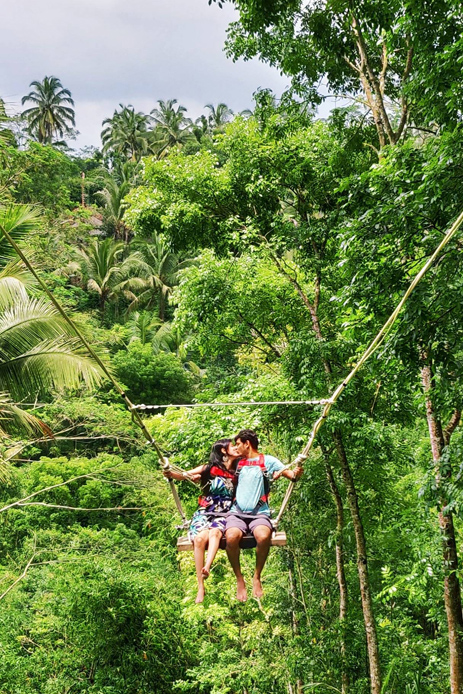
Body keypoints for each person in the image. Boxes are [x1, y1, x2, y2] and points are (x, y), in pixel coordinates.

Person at [225, 429, 302, 602]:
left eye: (238, 444)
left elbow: (291, 475)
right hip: (236, 512)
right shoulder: (237, 463)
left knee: (263, 535)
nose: (237, 448)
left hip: (259, 512)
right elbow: (214, 469)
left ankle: (257, 576)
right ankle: (239, 579)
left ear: (247, 444)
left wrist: (293, 473)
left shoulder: (268, 461)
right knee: (230, 537)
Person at [164, 438, 239, 603]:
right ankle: (200, 586)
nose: (236, 448)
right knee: (199, 539)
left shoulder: (238, 471)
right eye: (232, 446)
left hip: (225, 512)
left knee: (215, 532)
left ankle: (207, 566)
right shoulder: (208, 469)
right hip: (206, 510)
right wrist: (170, 474)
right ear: (223, 451)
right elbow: (185, 475)